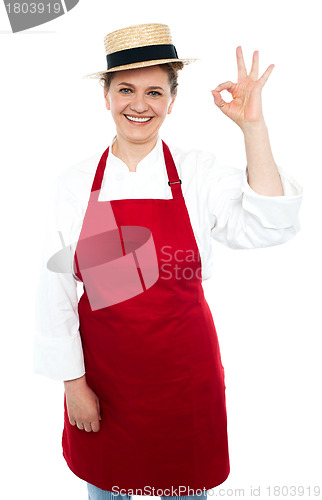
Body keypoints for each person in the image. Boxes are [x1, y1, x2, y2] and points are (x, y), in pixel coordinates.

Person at [33, 23, 303, 500]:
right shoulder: (75, 184)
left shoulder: (197, 172)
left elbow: (268, 226)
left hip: (184, 380)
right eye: (126, 90)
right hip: (105, 381)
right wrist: (73, 384)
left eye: (155, 91)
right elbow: (53, 291)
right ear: (107, 95)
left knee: (185, 488)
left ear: (172, 100)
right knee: (107, 488)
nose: (140, 105)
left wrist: (253, 128)